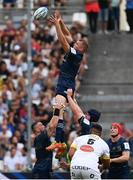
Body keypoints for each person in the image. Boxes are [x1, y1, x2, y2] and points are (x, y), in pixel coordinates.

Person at [46, 11, 88, 151]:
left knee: (57, 111)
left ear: (81, 48)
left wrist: (57, 25)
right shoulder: (76, 51)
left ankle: (59, 141)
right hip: (66, 83)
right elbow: (68, 35)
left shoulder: (76, 55)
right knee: (59, 112)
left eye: (77, 43)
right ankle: (60, 142)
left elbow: (62, 40)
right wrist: (61, 21)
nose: (75, 42)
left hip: (65, 84)